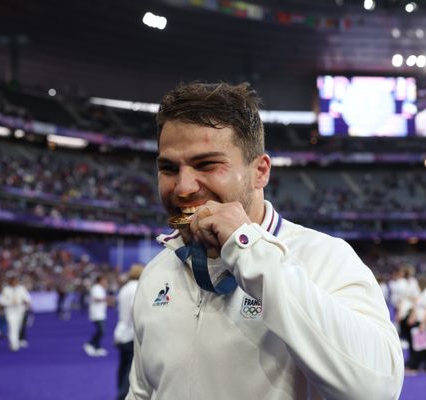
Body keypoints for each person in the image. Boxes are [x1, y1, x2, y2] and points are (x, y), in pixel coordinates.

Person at [126, 82, 404, 400]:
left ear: (260, 171)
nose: (183, 187)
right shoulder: (157, 273)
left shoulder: (325, 258)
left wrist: (250, 250)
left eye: (207, 165)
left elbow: (377, 389)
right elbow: (143, 392)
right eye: (168, 168)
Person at [114, 264, 144, 400]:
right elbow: (134, 309)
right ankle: (122, 396)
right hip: (132, 334)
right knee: (131, 371)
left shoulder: (124, 288)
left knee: (123, 367)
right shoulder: (138, 287)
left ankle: (120, 391)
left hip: (121, 332)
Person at [405, 276, 426, 375]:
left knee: (420, 344)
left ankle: (415, 366)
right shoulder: (423, 292)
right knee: (425, 345)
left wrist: (424, 323)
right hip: (422, 320)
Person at [0, 276, 31, 352]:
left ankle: (17, 341)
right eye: (13, 281)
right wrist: (10, 302)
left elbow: (27, 298)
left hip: (20, 310)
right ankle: (14, 344)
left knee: (18, 327)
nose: (15, 282)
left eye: (16, 281)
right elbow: (2, 301)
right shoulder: (6, 290)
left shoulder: (21, 289)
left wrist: (27, 303)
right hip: (10, 311)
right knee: (12, 327)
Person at [84, 275, 109, 356]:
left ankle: (97, 347)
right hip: (96, 313)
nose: (106, 282)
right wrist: (107, 299)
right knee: (101, 331)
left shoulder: (101, 288)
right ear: (100, 281)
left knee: (101, 331)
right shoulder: (96, 288)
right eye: (104, 280)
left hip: (100, 313)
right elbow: (96, 298)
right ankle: (90, 344)